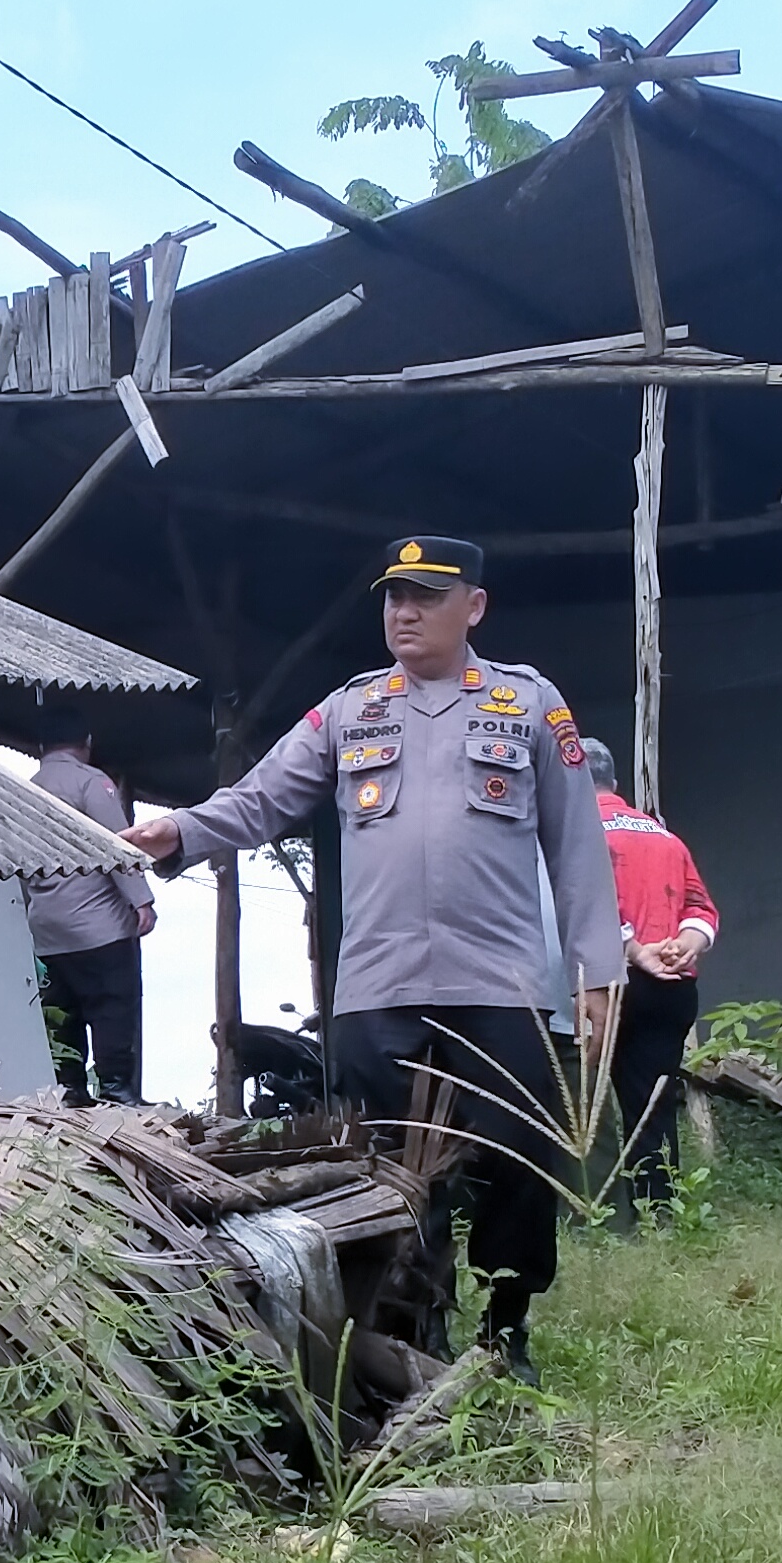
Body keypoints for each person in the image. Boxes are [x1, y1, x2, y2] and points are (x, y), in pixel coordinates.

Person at [122, 536, 621, 1384]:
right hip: (377, 991)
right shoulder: (349, 712)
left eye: (427, 596)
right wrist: (184, 828)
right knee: (390, 1170)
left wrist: (596, 971)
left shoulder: (529, 705)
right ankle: (410, 1335)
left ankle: (508, 1329)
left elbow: (577, 845)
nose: (405, 612)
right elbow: (264, 797)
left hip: (497, 984)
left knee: (513, 1165)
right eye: (394, 596)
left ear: (475, 606)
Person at [577, 737, 716, 1221]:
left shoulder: (577, 832)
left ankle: (594, 1215)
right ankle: (658, 1212)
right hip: (672, 987)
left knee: (582, 1103)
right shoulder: (664, 836)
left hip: (603, 983)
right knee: (652, 1105)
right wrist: (685, 944)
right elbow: (702, 908)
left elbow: (580, 906)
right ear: (615, 784)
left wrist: (633, 948)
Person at [22, 708, 154, 1104]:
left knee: (63, 1011)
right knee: (114, 1004)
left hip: (46, 929)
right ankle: (117, 1090)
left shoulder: (24, 789)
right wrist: (141, 900)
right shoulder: (92, 784)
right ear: (87, 743)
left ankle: (70, 1092)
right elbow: (117, 845)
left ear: (42, 746)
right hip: (99, 926)